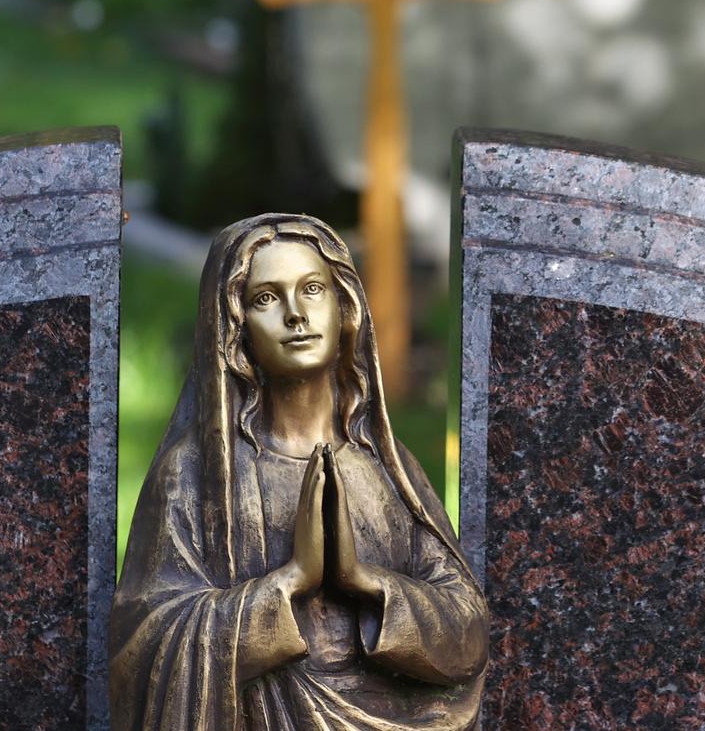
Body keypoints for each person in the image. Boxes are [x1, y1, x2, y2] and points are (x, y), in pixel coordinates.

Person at [111, 215, 486, 730]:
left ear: (345, 308)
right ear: (233, 327)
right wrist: (289, 584)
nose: (295, 315)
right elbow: (144, 645)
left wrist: (366, 583)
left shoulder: (386, 468)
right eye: (266, 297)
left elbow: (467, 628)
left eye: (312, 289)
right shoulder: (196, 477)